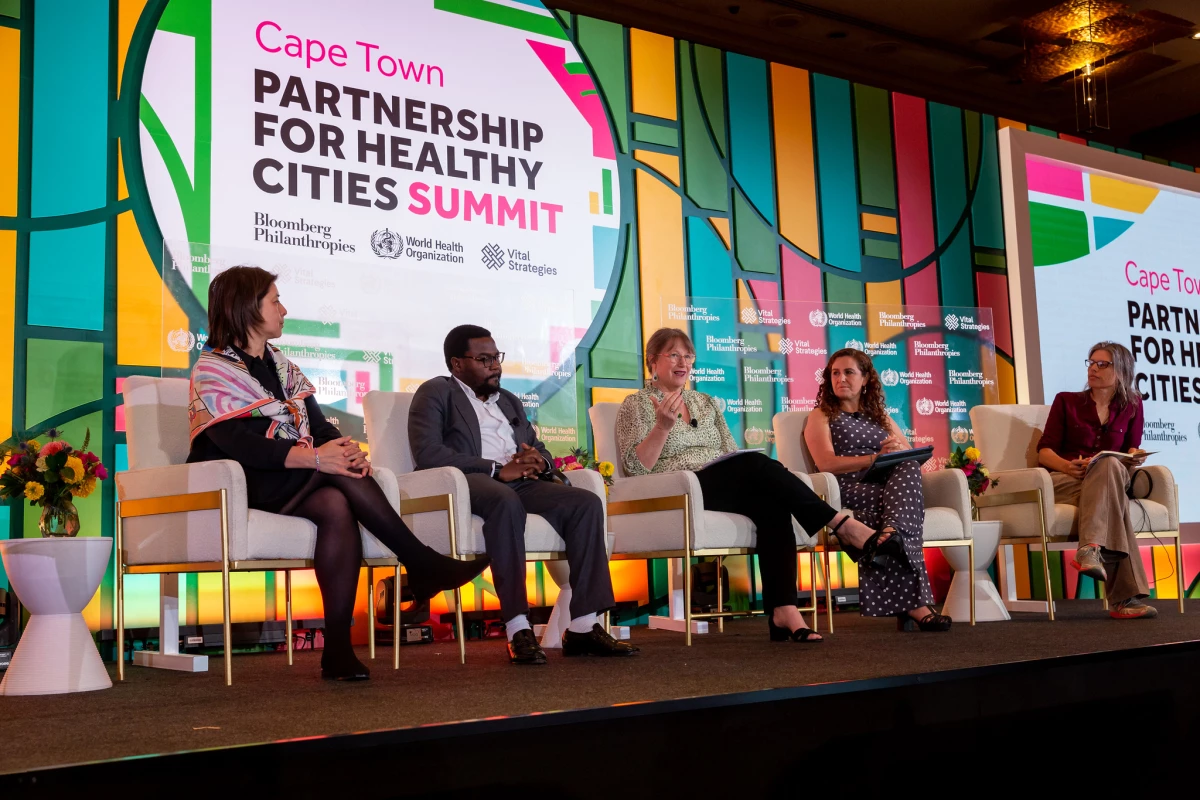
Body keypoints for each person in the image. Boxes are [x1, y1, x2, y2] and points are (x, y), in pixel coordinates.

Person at [188, 267, 489, 681]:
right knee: (337, 481)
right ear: (246, 308)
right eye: (275, 301)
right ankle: (421, 562)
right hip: (246, 480)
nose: (284, 310)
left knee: (335, 507)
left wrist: (347, 451)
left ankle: (338, 650)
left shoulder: (279, 364)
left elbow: (319, 425)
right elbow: (240, 445)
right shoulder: (212, 370)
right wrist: (318, 460)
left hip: (296, 479)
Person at [616, 328, 884, 643]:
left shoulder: (704, 401)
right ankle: (840, 522)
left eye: (688, 355)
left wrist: (735, 463)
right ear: (653, 360)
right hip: (678, 486)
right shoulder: (636, 404)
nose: (683, 362)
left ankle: (783, 610)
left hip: (720, 479)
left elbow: (730, 451)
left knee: (772, 502)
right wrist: (662, 428)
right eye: (673, 354)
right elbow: (635, 468)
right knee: (756, 465)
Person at [408, 325, 638, 664]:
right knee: (505, 501)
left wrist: (537, 460)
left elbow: (537, 445)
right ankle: (518, 628)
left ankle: (583, 627)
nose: (495, 366)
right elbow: (428, 452)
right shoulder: (436, 393)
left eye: (496, 357)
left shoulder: (509, 401)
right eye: (483, 359)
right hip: (468, 480)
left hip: (521, 481)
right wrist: (495, 469)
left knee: (585, 503)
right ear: (457, 364)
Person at [803, 348, 951, 632]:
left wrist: (893, 450)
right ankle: (915, 604)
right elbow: (826, 463)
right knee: (902, 509)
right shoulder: (821, 415)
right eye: (835, 373)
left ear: (866, 379)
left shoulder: (879, 416)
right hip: (848, 486)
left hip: (886, 488)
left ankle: (889, 533)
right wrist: (874, 458)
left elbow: (910, 455)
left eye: (848, 372)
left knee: (906, 467)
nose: (840, 378)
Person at [1037, 341, 1154, 619]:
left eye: (1103, 364)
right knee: (1116, 502)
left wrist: (1135, 456)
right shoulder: (1066, 400)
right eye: (1091, 363)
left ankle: (1090, 551)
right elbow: (1044, 451)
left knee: (1110, 466)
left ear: (1122, 371)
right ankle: (1124, 600)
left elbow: (1130, 449)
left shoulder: (1133, 406)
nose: (1094, 369)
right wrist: (1067, 466)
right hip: (1067, 479)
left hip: (1108, 478)